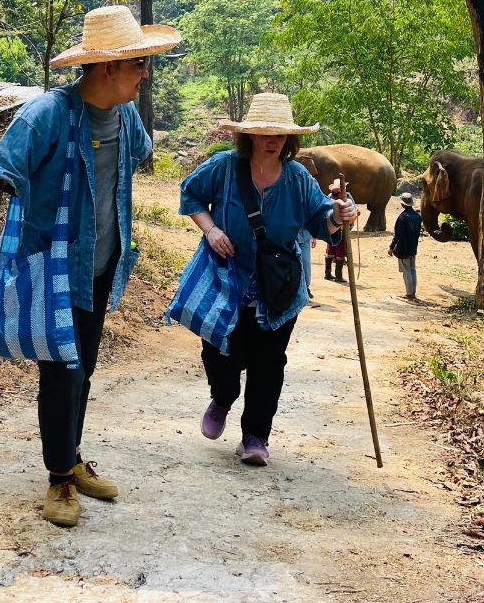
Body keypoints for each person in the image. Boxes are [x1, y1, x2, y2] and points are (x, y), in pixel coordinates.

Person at [0, 5, 180, 527]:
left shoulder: (125, 118)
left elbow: (136, 159)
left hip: (101, 265)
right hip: (51, 264)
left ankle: (72, 457)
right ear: (107, 67)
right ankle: (59, 477)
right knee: (62, 372)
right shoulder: (45, 116)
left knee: (84, 367)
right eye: (138, 65)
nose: (144, 75)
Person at [172, 93, 356, 466]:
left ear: (290, 139)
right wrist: (210, 229)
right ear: (250, 136)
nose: (272, 140)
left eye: (279, 135)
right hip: (226, 279)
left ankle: (255, 436)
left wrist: (341, 215)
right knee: (221, 350)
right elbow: (190, 194)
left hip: (279, 285)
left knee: (269, 362)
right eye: (264, 133)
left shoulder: (298, 179)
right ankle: (222, 397)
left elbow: (322, 219)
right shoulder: (223, 167)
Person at [388, 191, 422, 300]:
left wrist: (391, 247)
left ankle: (409, 294)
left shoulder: (402, 217)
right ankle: (413, 293)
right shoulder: (417, 216)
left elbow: (397, 235)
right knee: (412, 270)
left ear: (402, 204)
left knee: (407, 271)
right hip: (413, 247)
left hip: (403, 248)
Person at [324, 179, 355, 283]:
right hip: (340, 230)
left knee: (331, 250)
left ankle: (328, 274)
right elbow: (351, 214)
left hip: (331, 231)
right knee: (340, 252)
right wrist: (356, 215)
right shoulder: (342, 199)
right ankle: (338, 276)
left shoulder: (329, 198)